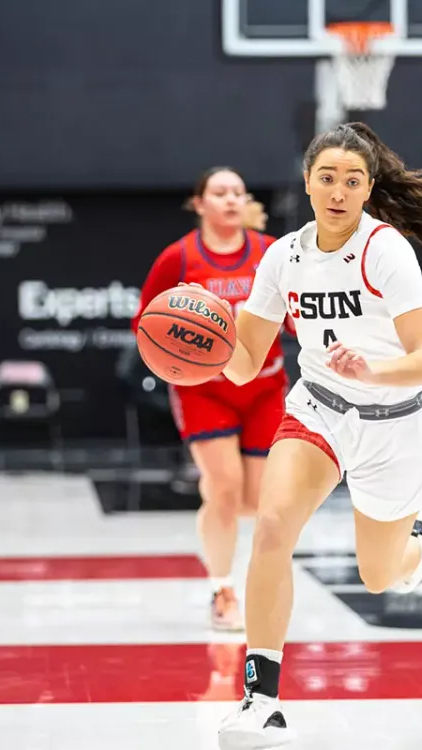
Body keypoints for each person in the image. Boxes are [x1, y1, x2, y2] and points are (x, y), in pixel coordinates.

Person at [210, 121, 422, 750]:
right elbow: (242, 362)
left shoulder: (384, 251)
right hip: (318, 409)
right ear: (308, 181)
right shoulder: (284, 255)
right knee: (271, 526)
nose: (339, 190)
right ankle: (261, 699)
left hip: (396, 425)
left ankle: (417, 541)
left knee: (380, 577)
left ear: (368, 188)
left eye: (352, 180)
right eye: (327, 178)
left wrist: (373, 368)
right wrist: (203, 337)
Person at [130, 166, 287, 631]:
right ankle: (222, 589)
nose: (231, 199)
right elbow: (146, 326)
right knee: (223, 489)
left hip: (263, 385)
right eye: (220, 192)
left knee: (254, 501)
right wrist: (179, 346)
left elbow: (297, 313)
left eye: (239, 192)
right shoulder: (176, 259)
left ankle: (222, 530)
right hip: (205, 391)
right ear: (200, 203)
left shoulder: (272, 253)